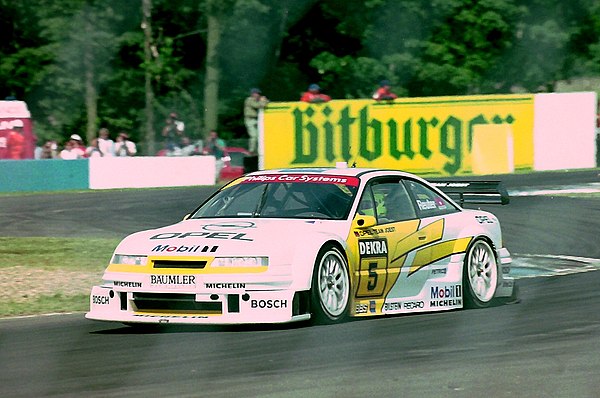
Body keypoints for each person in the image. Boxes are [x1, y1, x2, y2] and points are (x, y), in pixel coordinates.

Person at [243, 88, 268, 154]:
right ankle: (251, 150)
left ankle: (259, 150)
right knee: (253, 136)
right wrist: (263, 101)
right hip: (250, 120)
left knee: (261, 136)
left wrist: (264, 100)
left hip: (257, 120)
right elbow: (257, 106)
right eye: (257, 93)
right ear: (253, 94)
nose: (258, 95)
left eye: (259, 94)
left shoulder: (258, 100)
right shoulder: (249, 100)